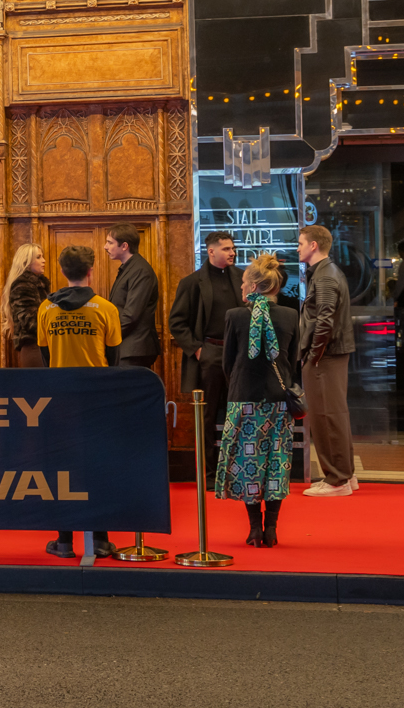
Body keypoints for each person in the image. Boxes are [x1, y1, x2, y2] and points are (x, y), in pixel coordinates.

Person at [36, 245, 123, 559]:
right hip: (96, 397)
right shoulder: (105, 308)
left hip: (60, 397)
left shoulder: (46, 308)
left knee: (63, 469)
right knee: (98, 467)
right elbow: (114, 357)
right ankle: (100, 539)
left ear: (61, 271)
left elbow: (46, 355)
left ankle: (64, 541)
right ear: (90, 271)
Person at [215, 252, 300, 545]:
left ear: (253, 286)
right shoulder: (291, 315)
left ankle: (254, 528)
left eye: (243, 282)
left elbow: (228, 363)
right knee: (276, 463)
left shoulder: (235, 316)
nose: (241, 287)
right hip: (279, 400)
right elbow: (293, 361)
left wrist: (239, 386)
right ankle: (272, 528)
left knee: (247, 463)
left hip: (244, 400)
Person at [168, 232, 242, 472]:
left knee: (239, 411)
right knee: (206, 415)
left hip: (238, 354)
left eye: (233, 248)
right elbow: (176, 322)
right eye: (226, 249)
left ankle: (238, 468)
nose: (232, 253)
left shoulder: (242, 277)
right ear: (211, 251)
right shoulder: (191, 282)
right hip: (209, 352)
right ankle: (208, 472)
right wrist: (198, 350)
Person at [296, 224, 356, 496]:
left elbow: (325, 320)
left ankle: (337, 480)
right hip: (330, 354)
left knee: (326, 417)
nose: (297, 248)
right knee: (334, 414)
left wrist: (314, 354)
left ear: (313, 245)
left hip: (325, 355)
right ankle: (345, 475)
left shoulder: (325, 275)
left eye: (300, 243)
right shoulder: (327, 272)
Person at [105, 225, 160, 370]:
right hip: (127, 348)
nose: (105, 247)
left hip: (134, 350)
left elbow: (131, 315)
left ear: (124, 246)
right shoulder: (130, 268)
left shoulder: (140, 270)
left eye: (110, 242)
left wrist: (108, 338)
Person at [5, 244, 49, 369]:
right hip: (33, 347)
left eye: (42, 256)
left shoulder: (38, 284)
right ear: (26, 262)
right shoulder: (23, 285)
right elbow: (29, 321)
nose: (44, 260)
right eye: (38, 257)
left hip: (41, 345)